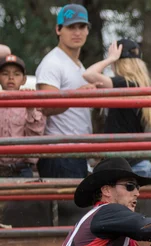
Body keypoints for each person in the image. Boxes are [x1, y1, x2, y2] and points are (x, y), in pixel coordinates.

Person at [35, 4, 96, 178]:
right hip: (59, 152)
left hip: (74, 152)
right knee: (69, 205)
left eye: (81, 26)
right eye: (71, 27)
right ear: (58, 30)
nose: (77, 32)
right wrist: (78, 95)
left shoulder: (77, 65)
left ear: (87, 30)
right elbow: (46, 107)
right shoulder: (52, 63)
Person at [83, 39, 151, 177]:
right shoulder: (139, 85)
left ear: (119, 62)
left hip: (124, 165)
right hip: (138, 162)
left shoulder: (124, 83)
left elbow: (89, 74)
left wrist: (110, 58)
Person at [0, 54, 45, 177]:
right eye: (5, 74)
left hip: (22, 169)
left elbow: (35, 136)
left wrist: (30, 109)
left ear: (24, 79)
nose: (10, 78)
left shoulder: (31, 104)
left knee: (24, 196)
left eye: (16, 74)